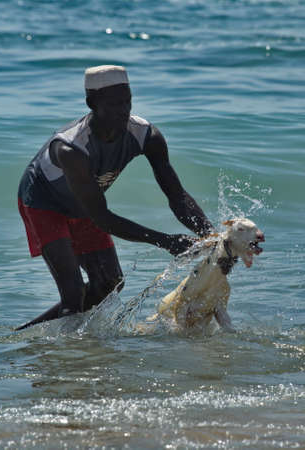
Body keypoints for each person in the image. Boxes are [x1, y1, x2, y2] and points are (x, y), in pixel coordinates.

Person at [16, 65, 213, 330]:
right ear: (92, 103)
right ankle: (60, 356)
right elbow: (103, 218)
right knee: (73, 294)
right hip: (43, 202)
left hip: (84, 205)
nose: (124, 111)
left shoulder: (146, 135)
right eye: (114, 104)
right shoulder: (71, 148)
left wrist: (213, 237)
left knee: (109, 284)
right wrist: (166, 241)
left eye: (127, 102)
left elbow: (176, 196)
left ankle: (30, 334)